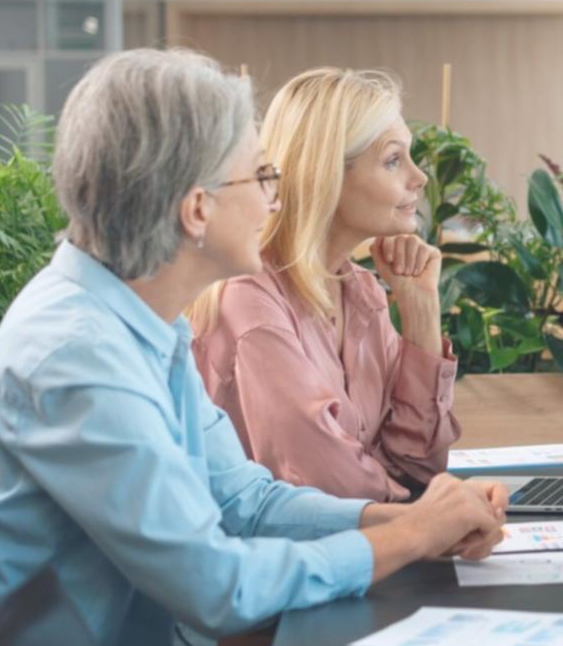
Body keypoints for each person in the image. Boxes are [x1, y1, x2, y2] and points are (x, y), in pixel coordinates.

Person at [0, 49, 508, 646]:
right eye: (263, 176)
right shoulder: (75, 358)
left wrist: (415, 518)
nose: (278, 198)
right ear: (197, 208)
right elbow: (217, 586)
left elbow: (247, 501)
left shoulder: (145, 322)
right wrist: (412, 537)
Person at [192, 69, 459, 501]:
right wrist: (434, 516)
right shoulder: (250, 300)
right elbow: (325, 486)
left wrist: (421, 308)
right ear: (327, 175)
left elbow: (420, 465)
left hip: (368, 548)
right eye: (394, 160)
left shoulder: (362, 292)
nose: (419, 177)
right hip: (285, 561)